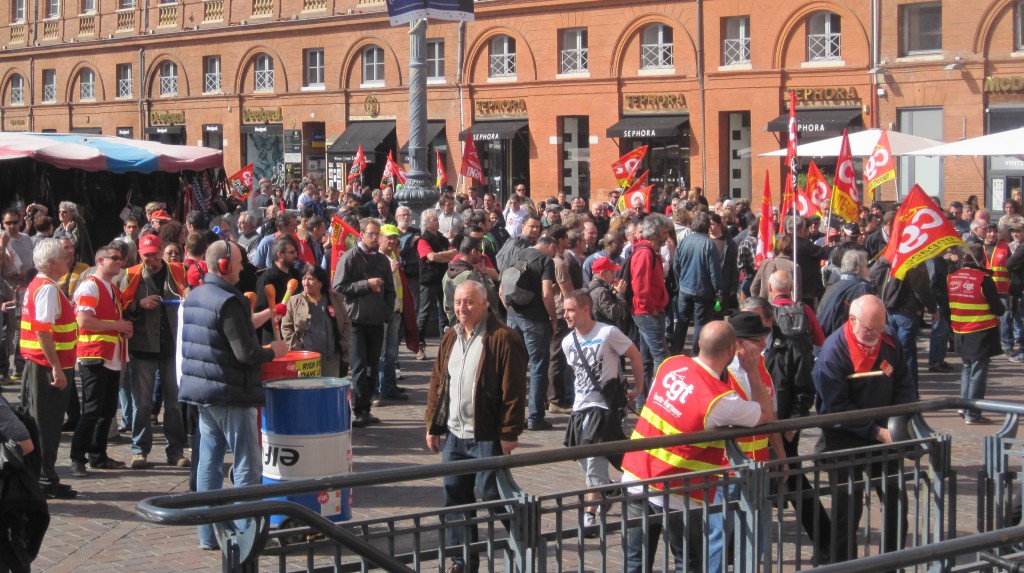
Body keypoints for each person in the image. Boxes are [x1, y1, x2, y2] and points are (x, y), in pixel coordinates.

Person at [621, 321, 773, 573]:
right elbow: (766, 414)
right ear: (730, 353)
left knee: (635, 560)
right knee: (690, 562)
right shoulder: (720, 400)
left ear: (700, 344)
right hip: (678, 490)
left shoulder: (671, 364)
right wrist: (753, 370)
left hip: (636, 475)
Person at [179, 240, 287, 550]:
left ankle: (208, 534)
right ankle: (248, 534)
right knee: (246, 465)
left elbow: (224, 335)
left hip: (205, 392)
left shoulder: (197, 295)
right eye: (239, 262)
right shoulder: (230, 300)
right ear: (224, 265)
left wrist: (264, 316)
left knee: (209, 463)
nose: (243, 268)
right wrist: (272, 350)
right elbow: (245, 352)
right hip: (231, 391)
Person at [425, 280, 527, 573]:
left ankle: (523, 545)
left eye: (468, 302)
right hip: (456, 435)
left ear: (485, 303)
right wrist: (433, 424)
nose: (462, 308)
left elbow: (514, 389)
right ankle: (462, 561)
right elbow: (438, 382)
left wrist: (509, 431)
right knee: (455, 498)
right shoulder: (450, 336)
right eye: (458, 302)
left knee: (493, 494)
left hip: (487, 433)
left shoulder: (502, 338)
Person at [813, 294, 916, 564]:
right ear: (853, 320)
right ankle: (842, 566)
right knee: (847, 511)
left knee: (896, 505)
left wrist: (900, 420)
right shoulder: (833, 352)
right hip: (845, 440)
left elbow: (904, 381)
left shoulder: (888, 339)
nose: (875, 335)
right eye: (870, 329)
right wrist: (876, 431)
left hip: (884, 437)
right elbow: (837, 407)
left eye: (880, 328)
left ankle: (891, 565)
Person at [561, 290, 642, 532]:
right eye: (564, 310)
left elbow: (634, 354)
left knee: (595, 459)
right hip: (580, 408)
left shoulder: (607, 333)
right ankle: (609, 488)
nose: (566, 315)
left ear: (586, 309)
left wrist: (638, 386)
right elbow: (578, 374)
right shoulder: (567, 342)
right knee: (581, 457)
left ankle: (590, 514)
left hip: (603, 408)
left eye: (571, 310)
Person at [119, 234, 190, 469]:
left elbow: (194, 293)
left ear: (162, 251)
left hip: (171, 349)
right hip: (143, 348)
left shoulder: (178, 271)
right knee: (142, 404)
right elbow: (121, 308)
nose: (152, 258)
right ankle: (140, 450)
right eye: (147, 254)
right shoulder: (131, 275)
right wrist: (139, 304)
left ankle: (176, 450)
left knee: (174, 404)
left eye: (155, 253)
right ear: (140, 254)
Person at [18, 239, 78, 499]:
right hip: (47, 367)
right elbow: (43, 331)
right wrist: (56, 368)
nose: (69, 261)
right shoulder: (48, 289)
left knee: (44, 423)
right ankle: (44, 479)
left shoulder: (40, 284)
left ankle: (46, 476)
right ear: (53, 263)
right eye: (65, 257)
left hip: (42, 364)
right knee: (47, 424)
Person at [68, 245, 134, 478]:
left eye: (121, 259)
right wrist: (117, 326)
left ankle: (98, 455)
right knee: (93, 408)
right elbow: (84, 320)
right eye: (114, 258)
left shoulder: (112, 288)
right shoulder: (90, 286)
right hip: (93, 354)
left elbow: (110, 319)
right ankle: (77, 458)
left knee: (106, 409)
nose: (119, 262)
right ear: (100, 260)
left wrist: (124, 329)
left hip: (111, 354)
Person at [332, 218, 396, 428]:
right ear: (361, 234)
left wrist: (386, 311)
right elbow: (339, 287)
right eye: (372, 234)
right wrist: (365, 284)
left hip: (376, 320)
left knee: (372, 364)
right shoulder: (350, 257)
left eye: (378, 234)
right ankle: (358, 409)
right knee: (359, 366)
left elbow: (390, 291)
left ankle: (366, 407)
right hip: (356, 320)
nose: (376, 238)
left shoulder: (381, 260)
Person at [502, 233, 558, 431]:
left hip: (513, 316)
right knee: (538, 368)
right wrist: (553, 318)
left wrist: (510, 309)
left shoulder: (517, 254)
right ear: (551, 246)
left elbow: (502, 290)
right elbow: (546, 292)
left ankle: (513, 416)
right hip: (536, 319)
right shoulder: (545, 261)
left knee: (515, 367)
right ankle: (535, 417)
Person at [949, 243, 1005, 424]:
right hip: (980, 330)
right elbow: (998, 308)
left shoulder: (952, 277)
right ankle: (972, 413)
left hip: (960, 330)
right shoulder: (983, 279)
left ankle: (964, 406)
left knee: (967, 368)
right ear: (981, 259)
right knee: (978, 372)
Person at [281, 265, 351, 379]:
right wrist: (297, 348)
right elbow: (286, 328)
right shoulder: (294, 301)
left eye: (311, 279)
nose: (306, 283)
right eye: (304, 279)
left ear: (321, 283)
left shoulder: (334, 299)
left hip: (331, 357)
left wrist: (343, 344)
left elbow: (346, 323)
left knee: (329, 391)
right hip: (305, 359)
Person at [375, 224, 416, 404]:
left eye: (394, 238)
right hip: (383, 311)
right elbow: (376, 285)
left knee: (392, 352)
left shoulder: (392, 255)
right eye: (389, 237)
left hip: (395, 310)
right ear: (380, 238)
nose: (392, 241)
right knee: (382, 352)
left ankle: (389, 387)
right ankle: (379, 388)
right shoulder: (377, 258)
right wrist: (389, 271)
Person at [672, 210, 722, 355]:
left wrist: (680, 282)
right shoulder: (709, 244)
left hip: (685, 288)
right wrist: (718, 291)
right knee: (700, 323)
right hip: (702, 290)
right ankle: (696, 354)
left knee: (682, 322)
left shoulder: (684, 242)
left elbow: (676, 265)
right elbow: (714, 271)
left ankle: (675, 351)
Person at [417, 210, 458, 360]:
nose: (437, 222)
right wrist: (443, 256)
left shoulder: (441, 238)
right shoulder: (423, 239)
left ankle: (445, 342)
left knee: (445, 311)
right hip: (428, 280)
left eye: (436, 219)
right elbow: (431, 257)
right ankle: (419, 344)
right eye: (434, 220)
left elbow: (454, 252)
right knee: (424, 312)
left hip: (443, 278)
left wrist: (441, 256)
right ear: (426, 223)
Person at [254, 236, 303, 343]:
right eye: (292, 252)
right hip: (274, 337)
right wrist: (276, 312)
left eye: (295, 252)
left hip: (296, 334)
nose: (295, 255)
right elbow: (260, 311)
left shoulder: (296, 275)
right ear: (280, 255)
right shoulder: (266, 279)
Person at [817, 250, 874, 337]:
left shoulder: (833, 286)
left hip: (824, 338)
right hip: (843, 340)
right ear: (860, 269)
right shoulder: (862, 288)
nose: (868, 269)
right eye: (866, 266)